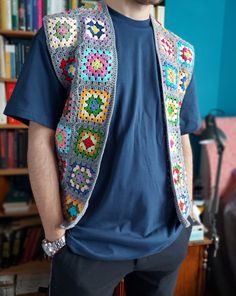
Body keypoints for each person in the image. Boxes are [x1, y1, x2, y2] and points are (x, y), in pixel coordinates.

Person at [4, 0, 201, 295]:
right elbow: (40, 138)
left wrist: (186, 219)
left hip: (166, 241)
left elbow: (182, 136)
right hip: (86, 244)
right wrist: (55, 235)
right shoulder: (63, 34)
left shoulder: (180, 53)